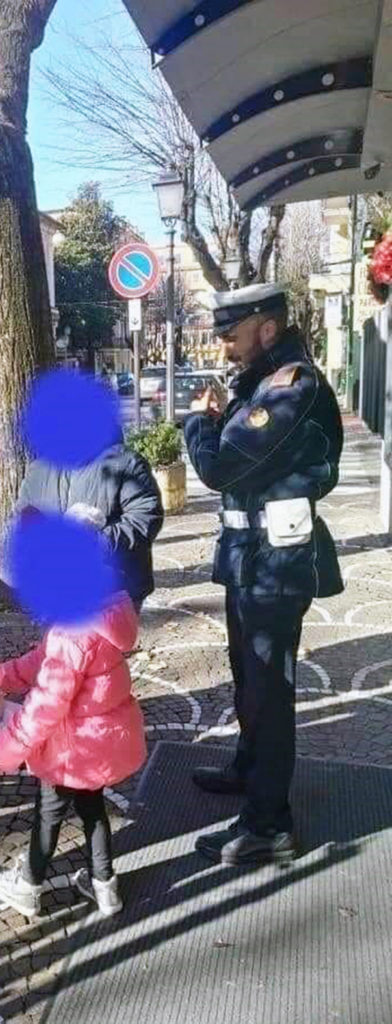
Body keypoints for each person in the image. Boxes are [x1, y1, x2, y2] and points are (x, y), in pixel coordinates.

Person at [184, 283, 343, 865]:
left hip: (277, 565)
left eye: (231, 334)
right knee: (248, 679)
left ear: (267, 328)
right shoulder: (256, 384)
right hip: (251, 558)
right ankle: (250, 770)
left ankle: (270, 824)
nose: (223, 345)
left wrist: (198, 427)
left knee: (270, 690)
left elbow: (223, 465)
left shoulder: (290, 385)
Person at [0, 505, 147, 918]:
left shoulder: (72, 630)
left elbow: (46, 703)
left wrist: (2, 752)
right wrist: (3, 676)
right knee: (92, 810)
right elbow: (46, 659)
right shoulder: (104, 612)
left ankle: (28, 885)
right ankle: (105, 887)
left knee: (49, 815)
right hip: (97, 745)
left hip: (72, 748)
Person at [14, 429, 164, 610]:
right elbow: (22, 518)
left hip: (114, 591)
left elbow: (144, 518)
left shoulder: (126, 463)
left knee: (102, 640)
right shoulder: (39, 469)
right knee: (58, 639)